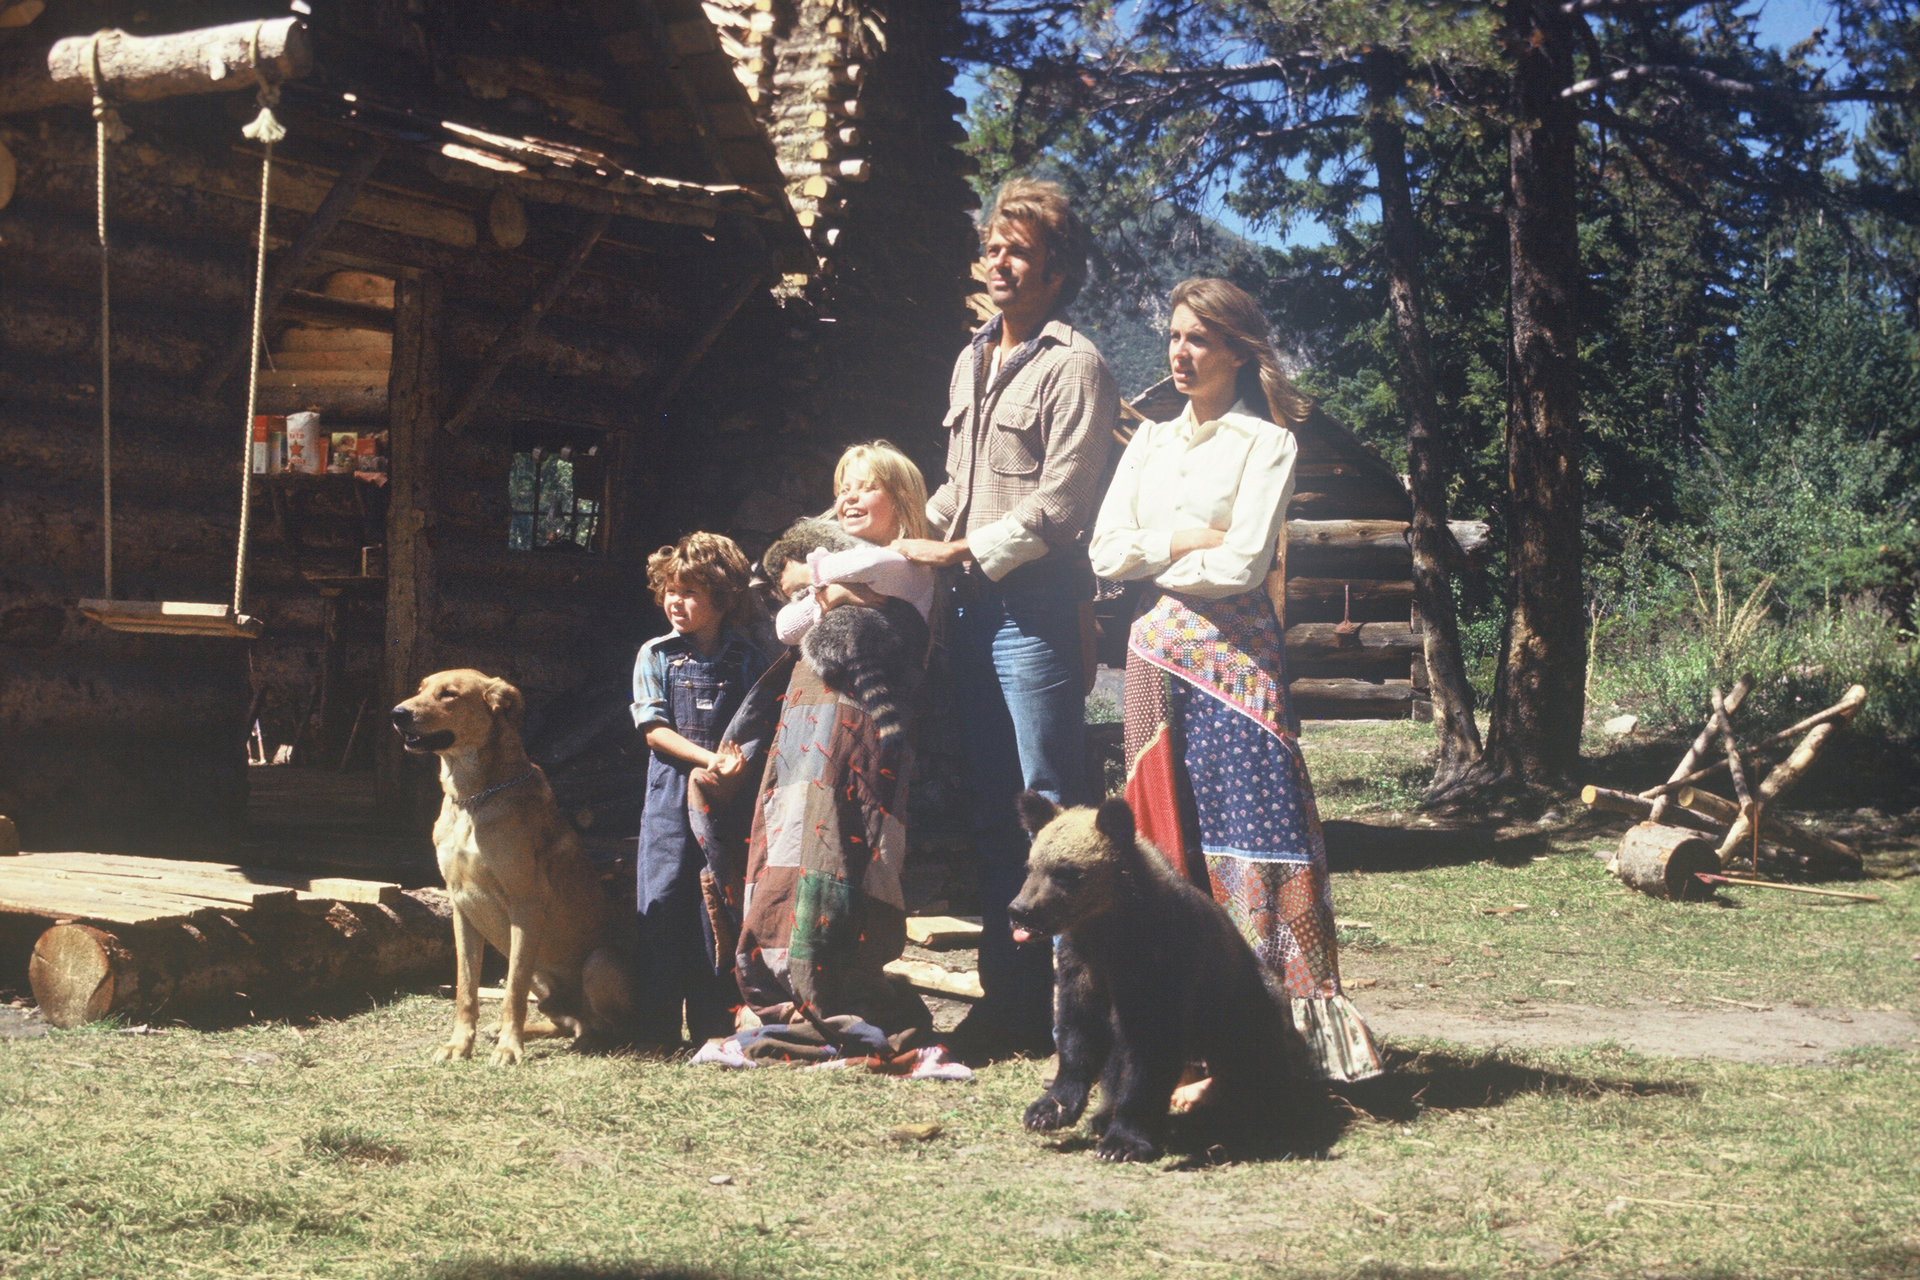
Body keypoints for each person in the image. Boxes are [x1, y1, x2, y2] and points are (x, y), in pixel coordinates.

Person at [1088, 277, 1383, 1083]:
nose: (1180, 353)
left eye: (1199, 340)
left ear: (1238, 351)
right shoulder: (1146, 443)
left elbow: (1246, 562)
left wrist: (1166, 549)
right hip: (1154, 662)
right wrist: (1188, 535)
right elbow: (1104, 553)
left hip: (1239, 668)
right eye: (1174, 337)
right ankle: (1176, 1045)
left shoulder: (1269, 444)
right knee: (1165, 841)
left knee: (1258, 835)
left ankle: (1275, 1045)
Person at [893, 177, 1120, 1058]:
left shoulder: (1078, 365)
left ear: (1058, 270)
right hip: (972, 614)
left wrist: (961, 551)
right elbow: (959, 489)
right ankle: (1011, 1000)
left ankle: (1080, 1012)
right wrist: (879, 531)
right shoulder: (971, 358)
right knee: (998, 814)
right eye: (992, 245)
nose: (998, 262)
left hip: (1033, 612)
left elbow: (1062, 502)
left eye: (1019, 250)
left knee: (1053, 815)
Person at [728, 442, 938, 1035]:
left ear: (900, 500)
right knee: (789, 842)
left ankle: (835, 985)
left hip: (861, 730)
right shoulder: (864, 568)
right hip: (805, 724)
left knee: (844, 848)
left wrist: (811, 576)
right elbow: (785, 625)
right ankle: (782, 985)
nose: (847, 498)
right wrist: (832, 592)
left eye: (865, 487)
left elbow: (869, 574)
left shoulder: (909, 565)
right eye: (842, 487)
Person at [630, 532, 772, 1045]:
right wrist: (709, 759)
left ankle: (715, 1024)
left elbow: (758, 725)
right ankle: (656, 1029)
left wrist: (735, 769)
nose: (675, 602)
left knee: (717, 903)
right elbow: (654, 730)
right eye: (669, 590)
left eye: (689, 592)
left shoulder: (747, 658)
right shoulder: (657, 656)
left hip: (726, 801)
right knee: (664, 899)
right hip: (670, 798)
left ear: (723, 596)